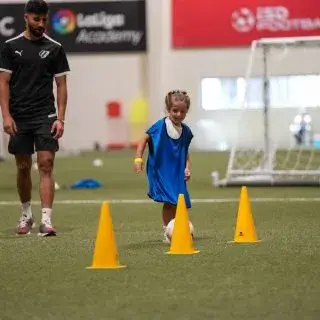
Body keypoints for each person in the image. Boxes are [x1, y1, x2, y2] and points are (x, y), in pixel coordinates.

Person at [0, 0, 70, 236]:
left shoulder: (55, 48)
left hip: (45, 115)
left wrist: (60, 118)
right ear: (26, 17)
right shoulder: (10, 46)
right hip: (19, 116)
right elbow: (4, 83)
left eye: (44, 19)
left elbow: (61, 84)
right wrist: (6, 115)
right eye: (36, 19)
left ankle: (47, 220)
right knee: (22, 166)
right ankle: (26, 214)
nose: (41, 24)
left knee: (46, 164)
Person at [134, 90, 193, 243]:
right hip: (161, 170)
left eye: (182, 111)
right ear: (168, 109)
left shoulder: (186, 131)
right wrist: (138, 159)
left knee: (180, 201)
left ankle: (178, 228)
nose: (178, 114)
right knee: (169, 201)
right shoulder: (160, 126)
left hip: (177, 171)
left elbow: (185, 152)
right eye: (175, 110)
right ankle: (167, 231)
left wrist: (187, 167)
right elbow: (143, 139)